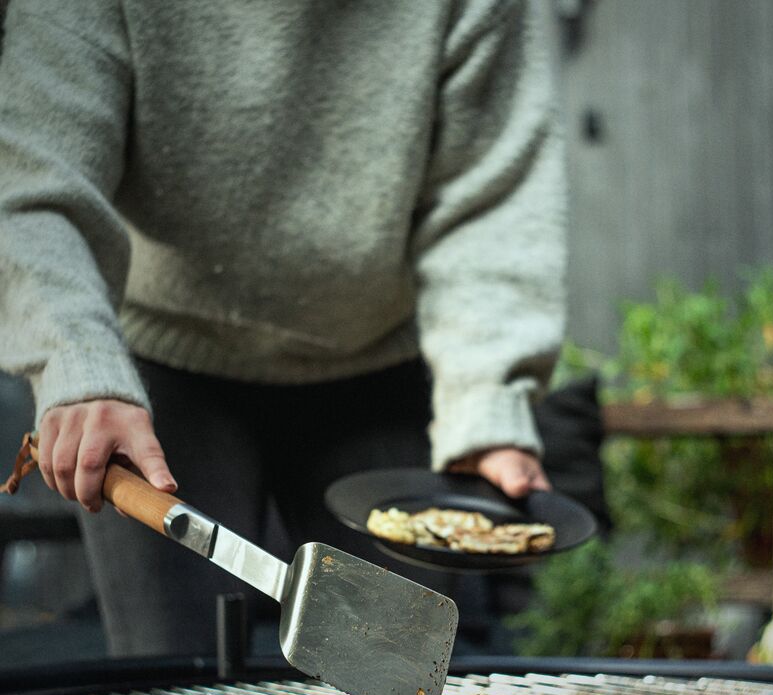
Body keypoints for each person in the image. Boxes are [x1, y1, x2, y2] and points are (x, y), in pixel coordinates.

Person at [0, 0, 565, 656]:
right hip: (155, 381)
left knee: (396, 679)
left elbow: (489, 196)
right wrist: (74, 361)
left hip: (379, 366)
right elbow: (34, 177)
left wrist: (487, 398)